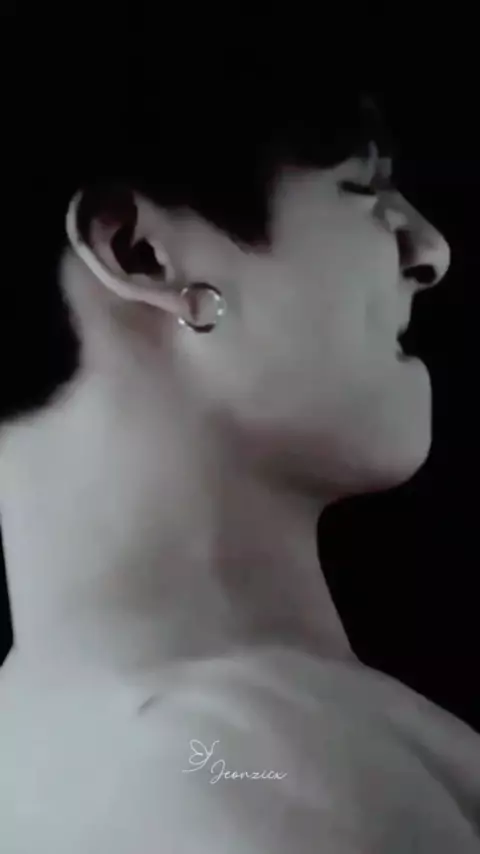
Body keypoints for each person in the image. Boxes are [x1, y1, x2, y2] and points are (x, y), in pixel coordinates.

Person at [0, 24, 479, 852]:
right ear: (141, 252)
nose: (428, 249)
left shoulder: (39, 742)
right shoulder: (262, 774)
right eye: (364, 186)